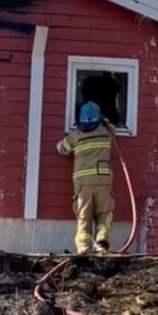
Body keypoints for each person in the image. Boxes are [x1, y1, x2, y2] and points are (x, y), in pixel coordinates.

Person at [56, 101, 115, 254]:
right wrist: (105, 121)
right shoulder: (106, 132)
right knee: (104, 213)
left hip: (83, 185)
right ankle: (102, 243)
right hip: (103, 181)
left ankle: (84, 247)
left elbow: (61, 149)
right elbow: (113, 129)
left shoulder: (76, 136)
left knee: (84, 215)